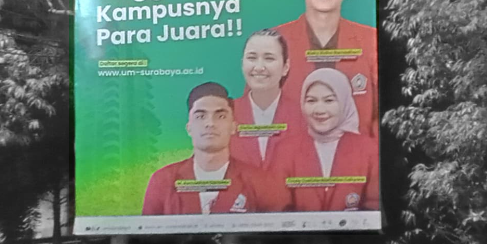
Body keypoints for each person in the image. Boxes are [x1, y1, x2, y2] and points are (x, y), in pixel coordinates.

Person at [273, 0, 380, 138]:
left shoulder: (370, 40)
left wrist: (367, 152)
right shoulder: (274, 41)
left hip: (356, 153)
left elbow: (383, 115)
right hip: (291, 154)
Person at [141, 82, 289, 215]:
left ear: (233, 127)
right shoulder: (163, 181)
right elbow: (148, 235)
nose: (210, 123)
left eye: (221, 116)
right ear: (189, 128)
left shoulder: (260, 182)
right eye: (201, 116)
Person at [271, 68, 380, 212]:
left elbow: (373, 207)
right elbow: (278, 207)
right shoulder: (285, 150)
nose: (319, 110)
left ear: (344, 102)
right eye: (311, 101)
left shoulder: (368, 150)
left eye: (329, 100)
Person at [231, 29, 306, 168]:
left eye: (269, 58)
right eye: (252, 58)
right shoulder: (226, 114)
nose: (259, 67)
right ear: (242, 64)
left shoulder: (303, 115)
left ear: (285, 67)